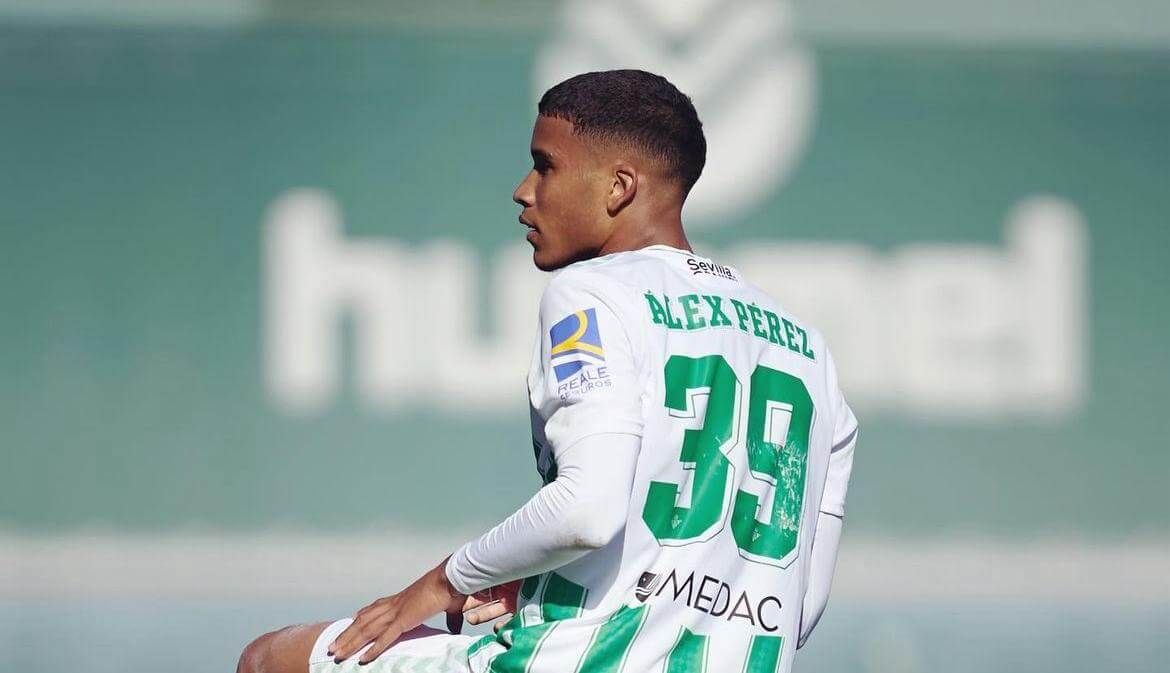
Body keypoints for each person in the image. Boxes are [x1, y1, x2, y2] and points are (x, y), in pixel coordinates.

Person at [238, 69, 858, 673]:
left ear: (618, 188)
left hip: (576, 657)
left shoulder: (592, 293)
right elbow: (798, 607)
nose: (524, 189)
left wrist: (441, 584)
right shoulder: (809, 350)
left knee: (271, 659)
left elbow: (586, 510)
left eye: (546, 164)